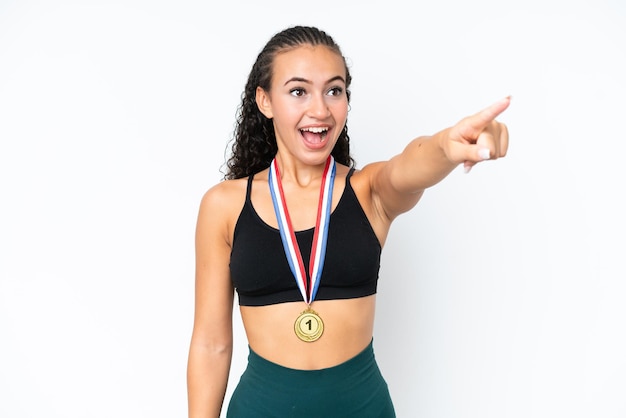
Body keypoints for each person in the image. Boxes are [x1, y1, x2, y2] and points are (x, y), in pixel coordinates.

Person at [187, 25, 510, 418]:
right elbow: (211, 344)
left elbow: (409, 166)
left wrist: (448, 145)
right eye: (298, 91)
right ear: (265, 100)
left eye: (334, 90)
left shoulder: (369, 191)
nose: (320, 109)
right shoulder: (224, 206)